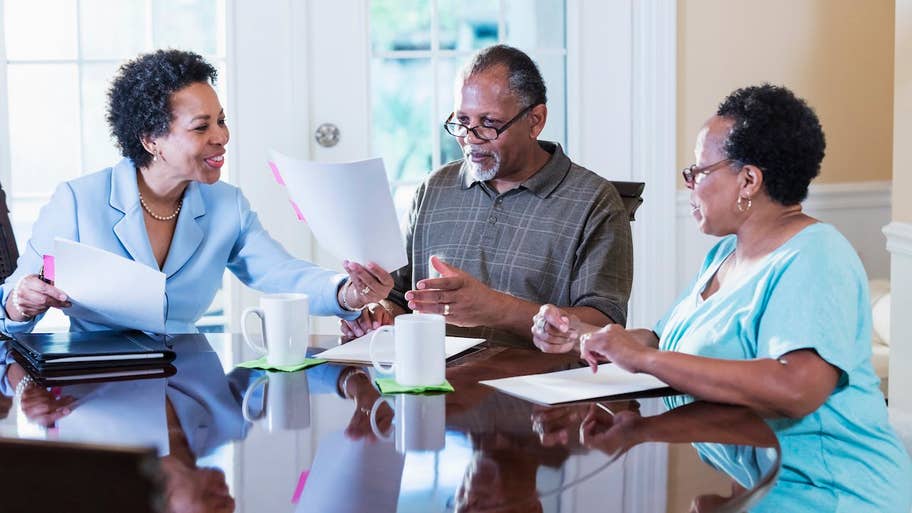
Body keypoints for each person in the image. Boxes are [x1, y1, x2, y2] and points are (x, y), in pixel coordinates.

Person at [533, 84, 912, 512]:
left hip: (832, 493)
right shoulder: (723, 255)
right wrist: (589, 335)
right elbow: (667, 342)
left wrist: (642, 361)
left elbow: (796, 388)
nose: (689, 184)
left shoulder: (816, 256)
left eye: (698, 171)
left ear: (748, 180)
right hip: (759, 485)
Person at [0, 49, 392, 334]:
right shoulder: (77, 201)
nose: (222, 137)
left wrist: (347, 293)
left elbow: (280, 273)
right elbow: (14, 298)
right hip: (98, 383)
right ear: (151, 139)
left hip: (190, 378)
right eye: (201, 127)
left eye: (221, 121)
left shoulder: (227, 206)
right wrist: (20, 303)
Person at [342, 44, 633, 347]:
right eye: (463, 122)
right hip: (436, 383)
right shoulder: (434, 188)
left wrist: (496, 310)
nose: (470, 139)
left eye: (489, 124)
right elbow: (397, 297)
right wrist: (379, 316)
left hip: (538, 387)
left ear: (535, 120)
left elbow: (603, 325)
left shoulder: (595, 201)